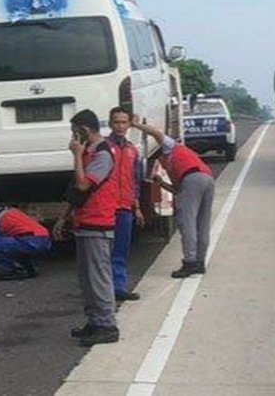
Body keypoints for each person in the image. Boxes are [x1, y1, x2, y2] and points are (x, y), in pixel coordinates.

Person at [53, 109, 120, 347]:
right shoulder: (90, 154)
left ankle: (107, 324)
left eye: (75, 131)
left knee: (98, 277)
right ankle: (94, 320)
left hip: (98, 223)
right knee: (87, 278)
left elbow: (83, 185)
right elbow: (76, 193)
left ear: (84, 130)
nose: (72, 137)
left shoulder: (103, 155)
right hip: (84, 221)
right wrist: (65, 217)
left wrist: (76, 155)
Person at [133, 117, 215, 278]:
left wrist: (135, 124)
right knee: (202, 224)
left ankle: (190, 262)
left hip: (192, 179)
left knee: (187, 223)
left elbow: (156, 132)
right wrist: (161, 183)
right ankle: (199, 262)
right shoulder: (173, 159)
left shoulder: (171, 147)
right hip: (206, 178)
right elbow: (178, 190)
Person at [106, 107, 145, 302]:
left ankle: (119, 287)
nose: (120, 126)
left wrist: (136, 207)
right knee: (103, 250)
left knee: (121, 249)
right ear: (110, 123)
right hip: (105, 207)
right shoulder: (103, 147)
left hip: (125, 207)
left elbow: (134, 181)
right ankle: (103, 288)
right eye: (116, 122)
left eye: (124, 122)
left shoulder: (132, 150)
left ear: (129, 124)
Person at [0, 206, 52, 281]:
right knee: (13, 245)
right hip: (44, 238)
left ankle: (13, 269)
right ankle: (28, 268)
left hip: (30, 240)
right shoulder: (14, 211)